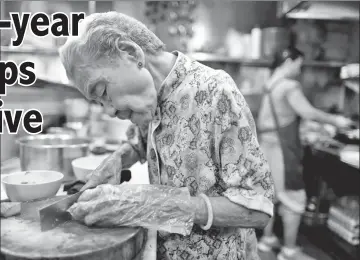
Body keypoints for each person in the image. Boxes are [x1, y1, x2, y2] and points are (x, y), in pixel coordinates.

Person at [59, 12, 275, 260]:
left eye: (103, 91)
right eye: (98, 102)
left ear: (131, 53)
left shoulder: (216, 92)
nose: (108, 110)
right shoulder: (148, 98)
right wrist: (118, 160)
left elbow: (258, 209)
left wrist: (153, 204)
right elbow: (140, 140)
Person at [256, 47, 353, 260]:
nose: (299, 70)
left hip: (266, 148)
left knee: (269, 196)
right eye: (299, 64)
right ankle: (289, 251)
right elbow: (308, 112)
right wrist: (336, 120)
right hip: (283, 151)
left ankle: (267, 240)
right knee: (294, 199)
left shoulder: (270, 84)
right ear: (289, 61)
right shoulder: (289, 86)